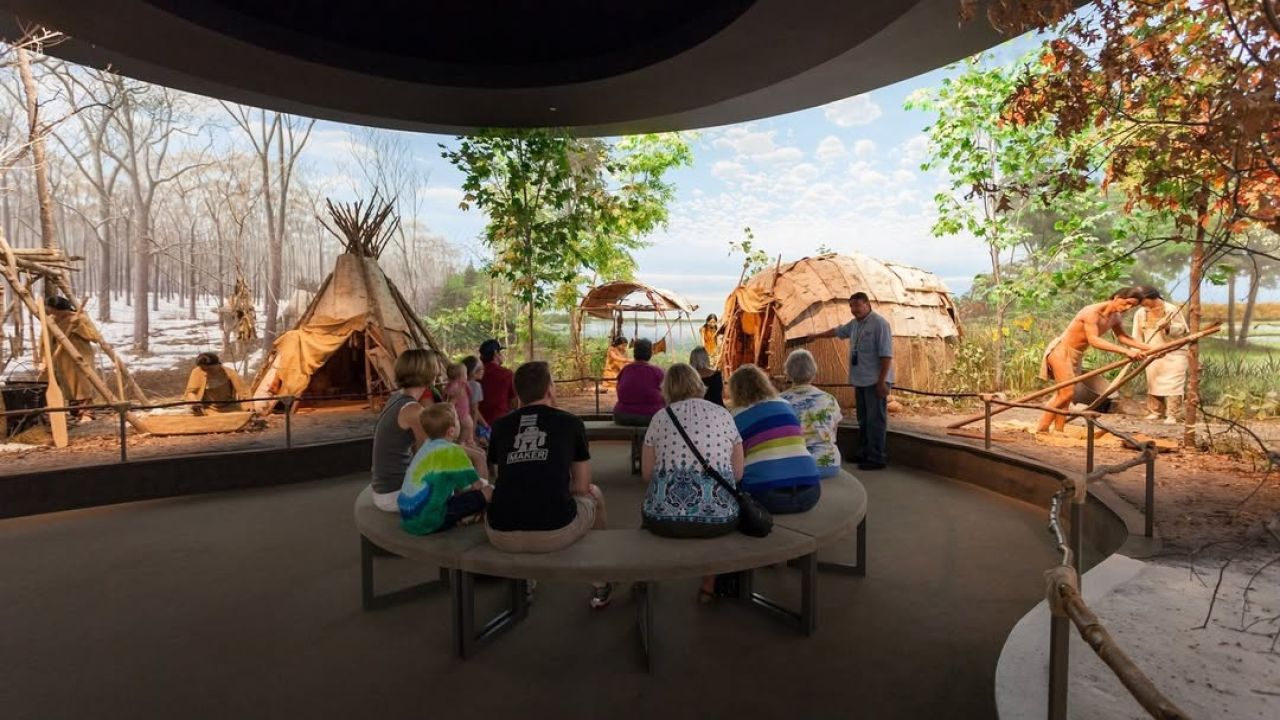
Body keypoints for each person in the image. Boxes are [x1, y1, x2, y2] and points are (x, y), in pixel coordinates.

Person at [485, 361, 612, 609]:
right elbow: (582, 486)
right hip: (555, 532)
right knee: (594, 493)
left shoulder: (500, 426)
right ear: (550, 390)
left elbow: (503, 477)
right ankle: (600, 579)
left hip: (499, 532)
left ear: (518, 393)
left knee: (516, 497)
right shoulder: (570, 422)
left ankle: (527, 580)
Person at [641, 363, 743, 602]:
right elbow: (738, 474)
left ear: (667, 389)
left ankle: (644, 581)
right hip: (720, 520)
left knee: (651, 501)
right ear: (699, 385)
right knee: (720, 509)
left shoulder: (659, 417)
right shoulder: (723, 414)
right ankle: (708, 584)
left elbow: (647, 474)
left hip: (663, 521)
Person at [1036, 288, 1153, 434]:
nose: (1128, 308)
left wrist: (1152, 348)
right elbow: (1094, 340)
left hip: (1077, 355)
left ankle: (1059, 430)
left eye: (1132, 306)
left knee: (1067, 395)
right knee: (1065, 393)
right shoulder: (1091, 312)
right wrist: (1126, 351)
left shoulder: (1116, 317)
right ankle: (1042, 428)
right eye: (1127, 303)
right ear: (1117, 297)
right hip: (1062, 350)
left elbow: (1123, 337)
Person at [811, 291, 894, 470]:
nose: (853, 310)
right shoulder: (855, 325)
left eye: (857, 305)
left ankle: (877, 457)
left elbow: (886, 355)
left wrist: (882, 381)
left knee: (875, 420)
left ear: (867, 304)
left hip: (875, 381)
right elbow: (838, 331)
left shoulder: (879, 324)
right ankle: (864, 452)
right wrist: (816, 335)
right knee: (863, 419)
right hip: (861, 380)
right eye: (851, 306)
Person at [729, 364, 821, 514]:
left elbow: (735, 464)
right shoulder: (786, 405)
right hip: (811, 492)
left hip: (768, 497)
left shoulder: (735, 416)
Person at [398, 403, 492, 535]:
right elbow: (477, 485)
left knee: (454, 490)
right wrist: (486, 485)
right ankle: (476, 517)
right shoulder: (452, 452)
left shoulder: (427, 446)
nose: (460, 421)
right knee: (489, 491)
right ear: (451, 431)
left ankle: (462, 517)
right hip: (428, 521)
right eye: (458, 419)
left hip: (408, 518)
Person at [369, 349, 438, 512]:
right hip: (393, 494)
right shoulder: (413, 410)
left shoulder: (396, 398)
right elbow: (427, 456)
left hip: (382, 487)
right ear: (428, 373)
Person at [779, 349, 843, 477]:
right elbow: (833, 431)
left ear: (788, 373)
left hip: (797, 465)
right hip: (830, 464)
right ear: (814, 372)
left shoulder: (779, 401)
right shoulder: (829, 399)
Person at [1132, 286, 1187, 424]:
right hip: (1152, 352)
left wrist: (1168, 327)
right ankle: (1155, 411)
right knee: (1154, 382)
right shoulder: (1140, 313)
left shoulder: (1171, 310)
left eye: (1143, 300)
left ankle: (1172, 415)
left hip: (1174, 353)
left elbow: (1183, 330)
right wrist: (1135, 350)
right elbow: (1136, 335)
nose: (1141, 303)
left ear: (1152, 297)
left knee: (1174, 384)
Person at [42, 296, 101, 407]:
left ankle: (86, 411)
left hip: (81, 356)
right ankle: (75, 411)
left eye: (56, 312)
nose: (54, 314)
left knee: (83, 383)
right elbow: (44, 340)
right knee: (68, 384)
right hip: (62, 358)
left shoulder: (80, 318)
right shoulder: (50, 321)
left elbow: (94, 337)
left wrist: (78, 326)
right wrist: (44, 357)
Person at [613, 338, 665, 426]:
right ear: (650, 354)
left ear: (634, 353)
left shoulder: (625, 370)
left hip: (622, 416)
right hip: (651, 416)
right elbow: (666, 393)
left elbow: (618, 390)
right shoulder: (657, 372)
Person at [182, 352, 248, 414]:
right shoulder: (196, 372)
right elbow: (190, 392)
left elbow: (244, 391)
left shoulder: (229, 373)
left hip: (229, 408)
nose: (207, 372)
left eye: (210, 369)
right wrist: (195, 402)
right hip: (206, 409)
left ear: (218, 365)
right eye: (203, 369)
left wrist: (249, 407)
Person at [477, 339, 516, 425]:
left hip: (478, 421)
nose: (502, 355)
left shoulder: (475, 374)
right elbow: (514, 402)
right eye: (500, 352)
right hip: (501, 421)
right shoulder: (507, 374)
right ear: (495, 353)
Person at [444, 362, 477, 446]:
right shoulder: (455, 386)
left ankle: (467, 441)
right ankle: (460, 442)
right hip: (460, 413)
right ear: (460, 377)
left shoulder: (462, 384)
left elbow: (470, 393)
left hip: (464, 412)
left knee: (468, 426)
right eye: (465, 374)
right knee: (468, 425)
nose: (467, 376)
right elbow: (449, 399)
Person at [461, 355, 490, 443]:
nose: (483, 370)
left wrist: (485, 424)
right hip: (468, 425)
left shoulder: (460, 384)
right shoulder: (475, 386)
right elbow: (473, 411)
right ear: (473, 372)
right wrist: (472, 434)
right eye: (481, 368)